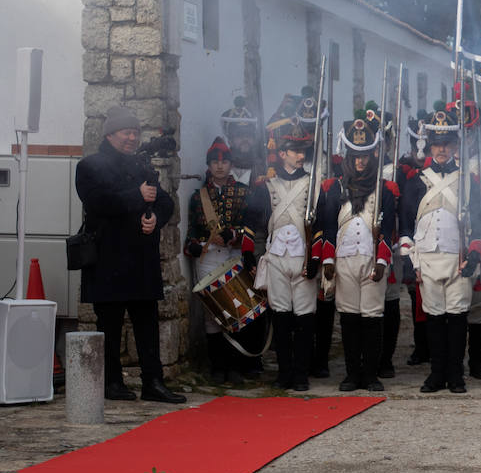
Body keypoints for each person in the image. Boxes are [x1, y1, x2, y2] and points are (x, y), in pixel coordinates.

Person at [74, 105, 185, 404]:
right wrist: (137, 196)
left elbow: (164, 202)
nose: (132, 138)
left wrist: (156, 219)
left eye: (136, 132)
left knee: (147, 324)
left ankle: (153, 382)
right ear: (110, 134)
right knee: (109, 325)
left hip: (140, 260)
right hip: (108, 258)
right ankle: (111, 383)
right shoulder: (89, 166)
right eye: (127, 132)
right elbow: (97, 202)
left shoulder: (141, 166)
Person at [398, 104, 480, 394]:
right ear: (429, 146)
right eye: (436, 144)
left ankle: (456, 375)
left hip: (457, 258)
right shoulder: (415, 181)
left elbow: (478, 220)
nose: (441, 149)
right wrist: (409, 263)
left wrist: (474, 255)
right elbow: (406, 223)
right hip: (428, 258)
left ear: (455, 145)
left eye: (446, 144)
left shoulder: (467, 180)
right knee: (433, 318)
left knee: (457, 318)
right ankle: (436, 373)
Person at [316, 107, 399, 392]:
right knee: (349, 319)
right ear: (348, 157)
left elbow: (388, 230)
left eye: (364, 156)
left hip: (372, 261)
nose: (360, 161)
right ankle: (352, 374)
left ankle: (371, 374)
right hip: (344, 261)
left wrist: (382, 262)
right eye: (355, 156)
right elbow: (329, 227)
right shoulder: (334, 188)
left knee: (372, 319)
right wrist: (328, 260)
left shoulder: (385, 189)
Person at [248, 127, 320, 392]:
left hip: (303, 259)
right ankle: (284, 372)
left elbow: (320, 225)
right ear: (281, 153)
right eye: (295, 151)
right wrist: (250, 254)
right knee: (280, 317)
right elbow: (254, 224)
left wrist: (315, 258)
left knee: (304, 318)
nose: (300, 156)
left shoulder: (313, 184)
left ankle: (301, 373)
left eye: (302, 151)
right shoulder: (265, 185)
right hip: (276, 258)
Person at [183, 136, 257, 384]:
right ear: (209, 165)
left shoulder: (244, 192)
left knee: (236, 310)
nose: (220, 166)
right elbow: (192, 231)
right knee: (212, 314)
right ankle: (217, 366)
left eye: (224, 162)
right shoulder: (198, 197)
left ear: (231, 164)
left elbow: (250, 227)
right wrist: (194, 246)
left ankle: (235, 365)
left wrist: (234, 234)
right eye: (215, 162)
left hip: (234, 256)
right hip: (208, 258)